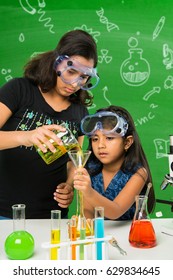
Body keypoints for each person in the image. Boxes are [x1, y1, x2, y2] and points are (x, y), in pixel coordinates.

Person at [0, 29, 99, 219]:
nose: (75, 83)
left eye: (83, 77)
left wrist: (69, 186)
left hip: (52, 217)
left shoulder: (79, 112)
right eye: (71, 72)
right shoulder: (19, 90)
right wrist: (27, 136)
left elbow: (74, 160)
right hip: (4, 213)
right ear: (56, 62)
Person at [73, 105, 155, 220]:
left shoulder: (139, 173)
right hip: (102, 233)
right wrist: (85, 221)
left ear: (127, 142)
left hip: (129, 234)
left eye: (109, 138)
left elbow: (116, 211)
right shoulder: (90, 167)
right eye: (95, 139)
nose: (100, 145)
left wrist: (89, 191)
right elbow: (88, 210)